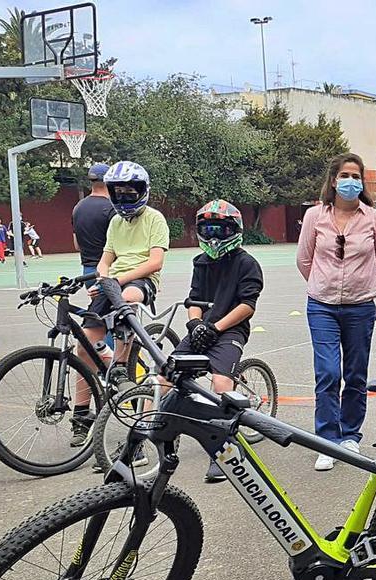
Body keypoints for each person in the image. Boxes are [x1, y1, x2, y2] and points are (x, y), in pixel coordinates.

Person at [297, 152, 376, 471]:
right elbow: (304, 259)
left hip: (360, 308)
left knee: (354, 373)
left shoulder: (374, 218)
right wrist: (324, 284)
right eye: (345, 175)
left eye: (356, 176)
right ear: (334, 180)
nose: (350, 181)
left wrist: (359, 284)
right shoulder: (315, 216)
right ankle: (327, 439)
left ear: (362, 181)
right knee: (327, 373)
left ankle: (350, 435)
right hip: (321, 306)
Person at [71, 160, 169, 447]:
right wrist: (102, 279)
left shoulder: (155, 219)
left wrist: (119, 279)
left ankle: (120, 364)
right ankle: (81, 415)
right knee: (84, 344)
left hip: (142, 280)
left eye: (130, 191)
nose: (124, 197)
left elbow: (155, 261)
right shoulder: (115, 221)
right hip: (112, 282)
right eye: (119, 192)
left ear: (142, 191)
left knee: (127, 299)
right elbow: (105, 259)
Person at [169, 200, 264, 482]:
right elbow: (194, 299)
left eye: (221, 230)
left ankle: (223, 451)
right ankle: (164, 433)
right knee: (167, 373)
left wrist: (216, 327)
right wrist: (196, 323)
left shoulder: (247, 263)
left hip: (230, 330)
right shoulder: (200, 262)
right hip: (203, 328)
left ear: (233, 230)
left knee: (221, 383)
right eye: (208, 229)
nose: (213, 236)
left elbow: (247, 305)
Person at [73, 164, 116, 280]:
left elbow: (77, 245)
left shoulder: (78, 207)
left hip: (88, 273)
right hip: (110, 271)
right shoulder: (112, 208)